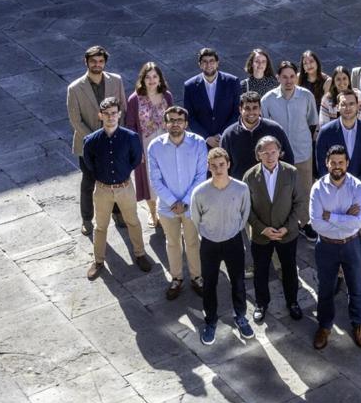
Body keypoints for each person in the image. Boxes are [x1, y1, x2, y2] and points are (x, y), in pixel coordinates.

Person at [315, 88, 361, 291]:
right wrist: (337, 187)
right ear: (337, 107)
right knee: (338, 236)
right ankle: (339, 274)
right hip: (334, 193)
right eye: (343, 104)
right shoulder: (327, 131)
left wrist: (353, 186)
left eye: (351, 104)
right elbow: (321, 164)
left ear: (358, 106)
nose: (347, 108)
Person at [83, 97, 153, 279]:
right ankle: (98, 260)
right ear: (100, 115)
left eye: (114, 113)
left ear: (119, 114)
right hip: (102, 189)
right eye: (106, 114)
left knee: (133, 221)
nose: (110, 117)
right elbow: (89, 164)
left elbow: (136, 159)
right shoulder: (91, 141)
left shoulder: (131, 138)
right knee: (100, 226)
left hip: (125, 187)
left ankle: (140, 254)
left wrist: (123, 172)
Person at [190, 147, 253, 344]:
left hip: (233, 241)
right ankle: (210, 322)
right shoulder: (200, 192)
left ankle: (241, 316)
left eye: (222, 165)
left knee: (238, 282)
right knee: (209, 284)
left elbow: (244, 214)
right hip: (209, 244)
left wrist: (232, 231)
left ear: (228, 165)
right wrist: (210, 234)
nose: (218, 169)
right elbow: (195, 218)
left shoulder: (241, 188)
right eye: (214, 166)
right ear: (209, 167)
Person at [309, 145, 361, 350]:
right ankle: (325, 325)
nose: (337, 166)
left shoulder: (357, 186)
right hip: (326, 246)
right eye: (333, 162)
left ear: (347, 163)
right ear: (327, 163)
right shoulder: (317, 188)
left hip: (351, 243)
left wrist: (332, 216)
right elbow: (316, 223)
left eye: (341, 162)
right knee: (325, 288)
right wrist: (346, 216)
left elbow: (359, 222)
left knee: (356, 287)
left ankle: (358, 323)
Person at [147, 105, 208, 299]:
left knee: (192, 242)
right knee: (172, 243)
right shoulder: (155, 146)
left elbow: (201, 175)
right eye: (171, 120)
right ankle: (176, 278)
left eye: (179, 120)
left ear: (186, 124)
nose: (175, 124)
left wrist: (185, 201)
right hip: (167, 207)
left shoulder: (198, 143)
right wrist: (174, 202)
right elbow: (155, 180)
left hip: (191, 205)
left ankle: (197, 277)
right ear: (165, 124)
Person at [243, 136, 304, 323]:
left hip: (287, 234)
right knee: (261, 270)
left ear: (280, 152)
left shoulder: (291, 172)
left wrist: (287, 228)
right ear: (258, 155)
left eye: (273, 152)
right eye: (265, 153)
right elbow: (247, 209)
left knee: (289, 269)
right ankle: (261, 303)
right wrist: (262, 229)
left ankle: (292, 301)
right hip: (262, 235)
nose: (270, 156)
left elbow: (299, 203)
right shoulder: (250, 176)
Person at [67, 45, 126, 236]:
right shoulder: (75, 88)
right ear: (86, 62)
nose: (97, 64)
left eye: (100, 61)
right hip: (88, 144)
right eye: (93, 61)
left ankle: (117, 214)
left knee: (115, 178)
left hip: (114, 140)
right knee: (89, 182)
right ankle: (86, 219)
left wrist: (117, 135)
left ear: (105, 62)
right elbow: (76, 120)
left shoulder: (116, 80)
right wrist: (96, 140)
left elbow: (122, 109)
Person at [261, 61, 318, 230]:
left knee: (305, 190)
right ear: (278, 77)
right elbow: (265, 127)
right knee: (281, 192)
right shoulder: (268, 100)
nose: (289, 81)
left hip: (302, 153)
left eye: (292, 76)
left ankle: (305, 222)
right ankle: (285, 223)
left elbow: (312, 122)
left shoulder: (306, 96)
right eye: (284, 77)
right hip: (279, 156)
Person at [124, 61, 173, 228]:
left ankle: (170, 210)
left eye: (155, 76)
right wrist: (137, 150)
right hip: (145, 143)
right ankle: (153, 213)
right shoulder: (134, 99)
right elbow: (130, 125)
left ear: (160, 79)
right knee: (149, 180)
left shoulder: (167, 96)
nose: (151, 80)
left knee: (169, 178)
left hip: (166, 142)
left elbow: (173, 119)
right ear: (142, 79)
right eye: (148, 77)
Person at [219, 92, 293, 182]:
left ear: (260, 109)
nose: (251, 112)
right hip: (240, 189)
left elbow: (288, 159)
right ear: (240, 109)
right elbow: (222, 164)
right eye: (247, 108)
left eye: (255, 108)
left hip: (270, 187)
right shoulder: (229, 135)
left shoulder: (275, 130)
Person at [183, 48, 241, 149]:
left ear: (217, 63)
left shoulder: (232, 82)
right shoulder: (190, 86)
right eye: (204, 62)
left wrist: (221, 135)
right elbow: (190, 117)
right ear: (200, 64)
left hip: (227, 139)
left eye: (211, 61)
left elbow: (237, 112)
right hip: (202, 143)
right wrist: (206, 137)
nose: (208, 65)